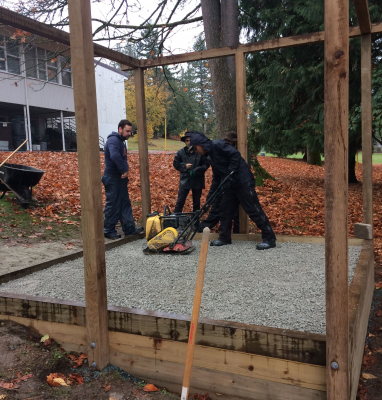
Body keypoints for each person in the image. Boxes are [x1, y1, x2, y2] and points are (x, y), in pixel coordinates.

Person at [190, 131, 276, 250]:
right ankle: (224, 238)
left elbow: (235, 155)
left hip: (242, 180)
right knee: (225, 209)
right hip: (229, 183)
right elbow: (217, 177)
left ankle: (269, 238)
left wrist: (231, 172)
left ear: (201, 144)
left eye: (195, 147)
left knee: (252, 208)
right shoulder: (209, 155)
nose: (196, 151)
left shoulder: (218, 144)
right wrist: (210, 197)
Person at [102, 119, 144, 240]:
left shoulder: (120, 141)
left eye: (130, 131)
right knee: (113, 204)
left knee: (125, 203)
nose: (129, 134)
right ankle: (108, 230)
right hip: (112, 177)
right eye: (127, 131)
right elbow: (114, 155)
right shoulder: (113, 140)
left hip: (118, 178)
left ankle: (129, 229)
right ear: (120, 129)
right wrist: (124, 169)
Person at [198, 131, 240, 233]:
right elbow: (216, 176)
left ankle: (237, 231)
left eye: (231, 143)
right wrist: (211, 196)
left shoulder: (234, 155)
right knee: (217, 206)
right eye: (227, 142)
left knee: (235, 210)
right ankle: (204, 227)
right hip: (222, 183)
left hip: (234, 184)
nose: (229, 145)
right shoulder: (217, 154)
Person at [173, 131, 210, 213]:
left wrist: (197, 171)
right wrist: (184, 166)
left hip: (197, 180)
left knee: (196, 203)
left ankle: (195, 221)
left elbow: (206, 164)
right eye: (186, 141)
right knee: (180, 201)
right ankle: (176, 219)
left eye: (190, 140)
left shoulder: (200, 152)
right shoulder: (181, 152)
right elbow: (176, 164)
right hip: (185, 180)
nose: (188, 143)